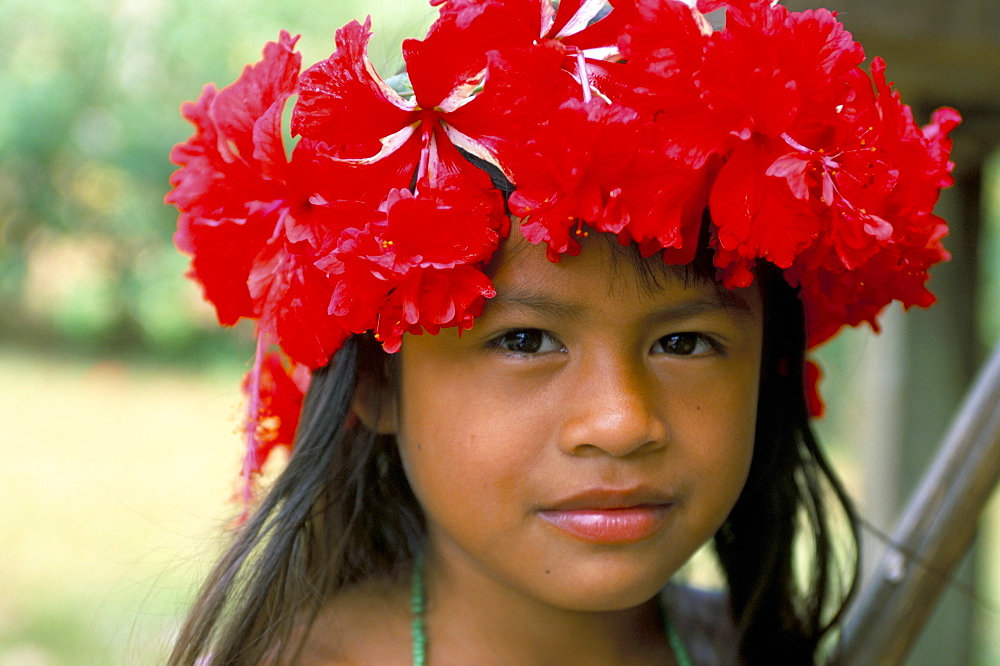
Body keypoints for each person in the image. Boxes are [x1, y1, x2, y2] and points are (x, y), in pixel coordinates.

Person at [164, 0, 960, 663]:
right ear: (375, 382)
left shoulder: (741, 651)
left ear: (769, 367)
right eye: (524, 341)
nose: (620, 423)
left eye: (683, 343)